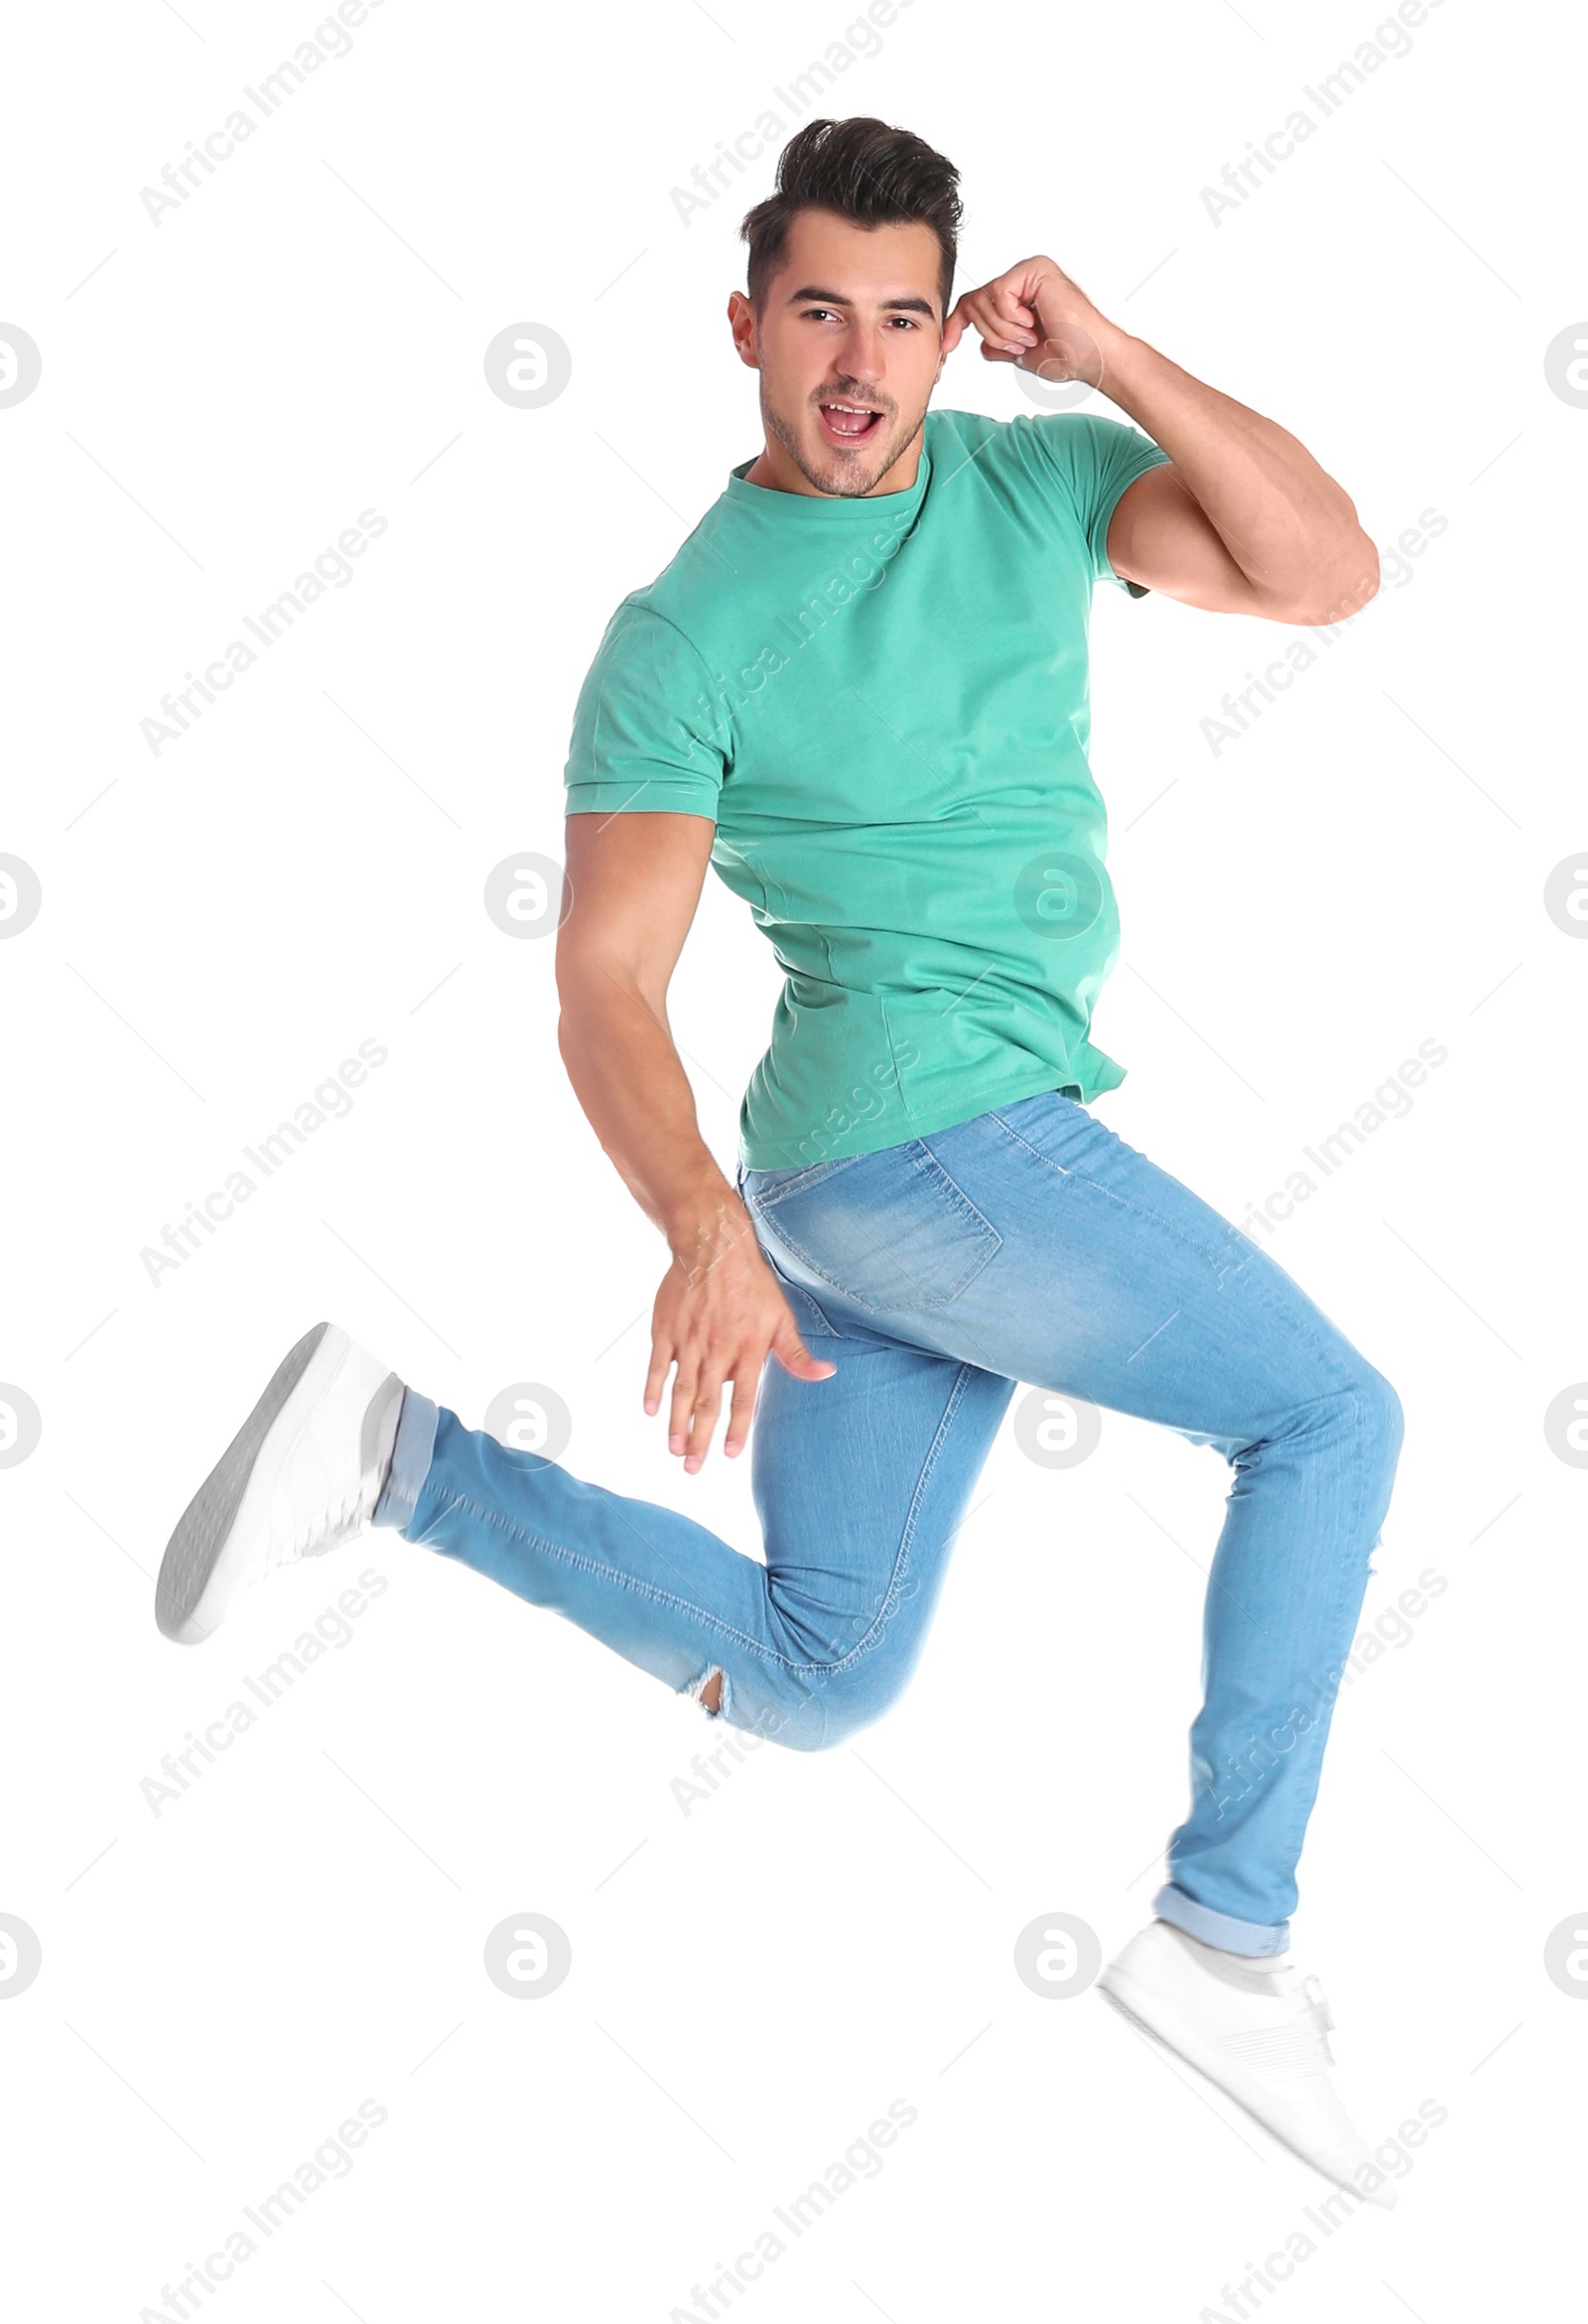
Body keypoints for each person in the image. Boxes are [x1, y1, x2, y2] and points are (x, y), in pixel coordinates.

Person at [155, 117, 1403, 2209]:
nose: (859, 358)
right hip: (926, 1148)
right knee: (1329, 1416)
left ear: (945, 339)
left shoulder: (1034, 485)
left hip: (903, 1171)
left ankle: (395, 1455)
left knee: (821, 1673)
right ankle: (1224, 1934)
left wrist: (1105, 351)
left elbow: (1325, 571)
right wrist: (693, 1223)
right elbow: (605, 987)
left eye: (902, 317)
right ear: (743, 325)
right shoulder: (686, 632)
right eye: (817, 309)